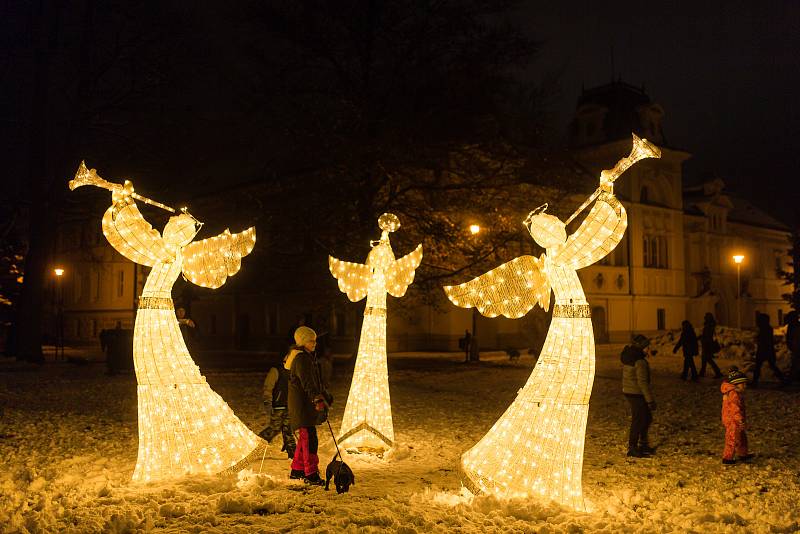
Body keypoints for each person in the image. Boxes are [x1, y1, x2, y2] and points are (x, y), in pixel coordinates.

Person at [288, 326, 333, 485]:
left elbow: (315, 381)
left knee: (305, 439)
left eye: (315, 340)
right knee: (309, 440)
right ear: (302, 341)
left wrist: (325, 396)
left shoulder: (306, 357)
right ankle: (311, 474)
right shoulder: (301, 359)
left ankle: (297, 470)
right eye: (310, 340)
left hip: (304, 406)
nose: (314, 343)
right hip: (302, 406)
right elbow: (307, 383)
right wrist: (317, 399)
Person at [621, 334, 656, 457]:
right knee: (639, 420)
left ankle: (643, 444)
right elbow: (643, 383)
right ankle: (633, 447)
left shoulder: (630, 356)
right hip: (636, 393)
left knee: (646, 418)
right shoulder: (639, 361)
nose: (648, 349)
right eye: (646, 347)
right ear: (641, 348)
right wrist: (650, 401)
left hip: (629, 391)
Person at [259, 352, 296, 459]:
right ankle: (256, 444)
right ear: (285, 358)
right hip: (278, 405)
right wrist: (267, 401)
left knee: (288, 430)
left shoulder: (294, 371)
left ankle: (293, 454)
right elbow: (268, 387)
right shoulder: (276, 370)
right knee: (275, 428)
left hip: (290, 405)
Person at [721, 367, 753, 464]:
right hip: (732, 420)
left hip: (735, 419)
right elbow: (734, 409)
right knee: (732, 438)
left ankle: (743, 453)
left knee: (742, 437)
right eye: (743, 384)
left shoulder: (735, 393)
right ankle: (727, 458)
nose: (745, 386)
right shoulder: (733, 394)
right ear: (735, 384)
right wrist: (740, 420)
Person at [699, 313, 723, 378]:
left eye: (706, 317)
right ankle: (702, 372)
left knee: (708, 359)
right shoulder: (709, 325)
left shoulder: (709, 325)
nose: (705, 318)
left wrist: (705, 341)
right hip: (706, 344)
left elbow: (708, 336)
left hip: (707, 344)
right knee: (704, 359)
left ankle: (717, 372)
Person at [785, 311, 800, 382]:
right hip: (795, 347)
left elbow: (788, 337)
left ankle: (792, 377)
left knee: (795, 362)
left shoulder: (792, 326)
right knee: (795, 362)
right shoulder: (792, 326)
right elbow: (789, 337)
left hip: (795, 346)